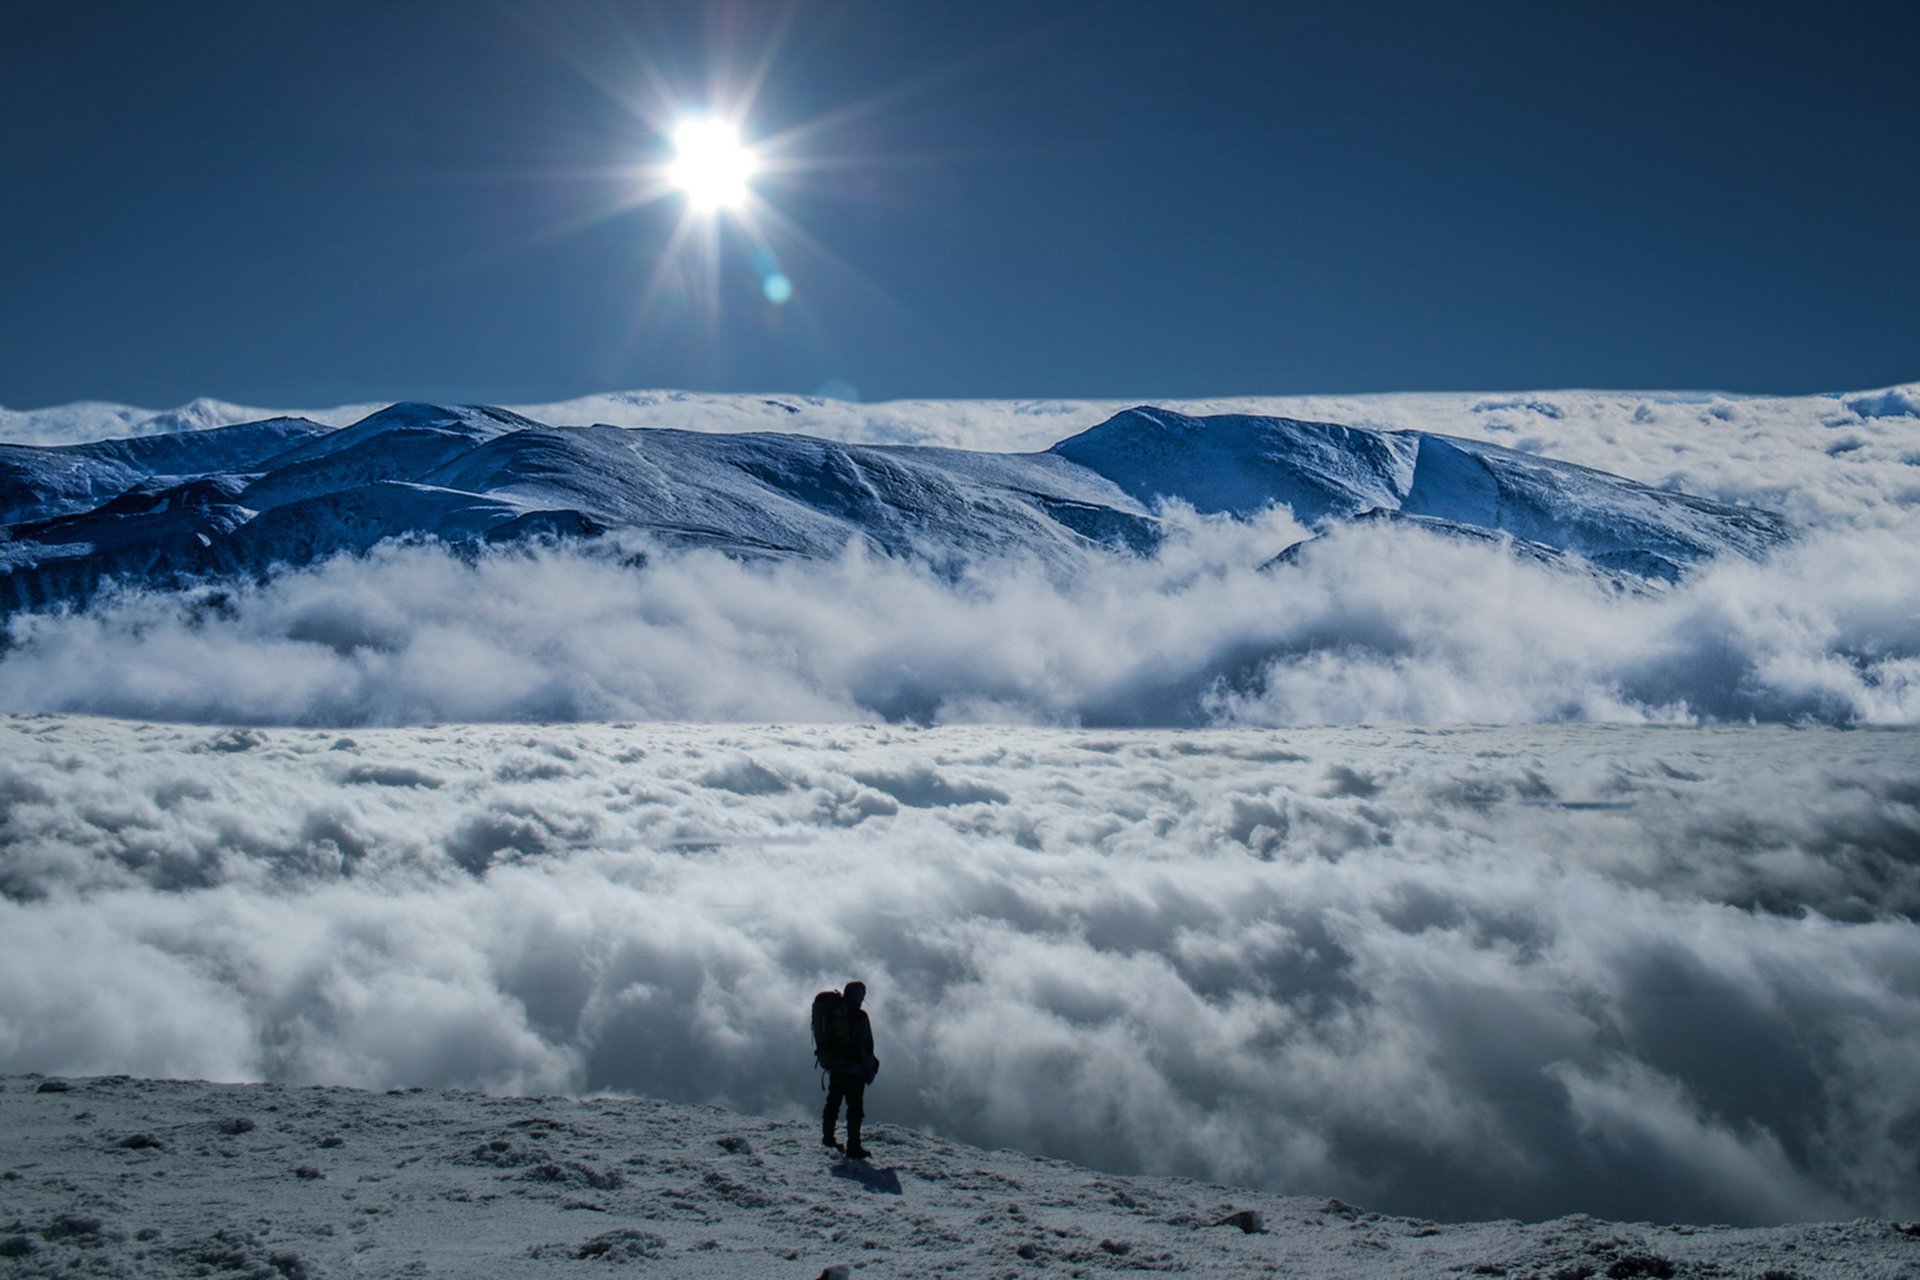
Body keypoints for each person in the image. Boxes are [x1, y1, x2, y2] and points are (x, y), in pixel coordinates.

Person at [821, 980, 877, 1158]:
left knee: (833, 1103)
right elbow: (866, 1046)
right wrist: (870, 1069)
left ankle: (828, 1137)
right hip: (855, 1071)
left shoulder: (834, 1012)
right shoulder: (860, 1016)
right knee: (855, 1109)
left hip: (836, 1067)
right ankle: (854, 1146)